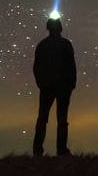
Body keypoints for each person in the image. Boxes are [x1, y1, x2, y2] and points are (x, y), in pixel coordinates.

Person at [32, 15, 77, 156]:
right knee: (61, 119)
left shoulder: (42, 45)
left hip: (47, 86)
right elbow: (71, 65)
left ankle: (37, 150)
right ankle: (61, 150)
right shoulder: (65, 44)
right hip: (62, 86)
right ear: (60, 28)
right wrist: (72, 83)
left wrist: (40, 82)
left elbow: (36, 67)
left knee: (43, 118)